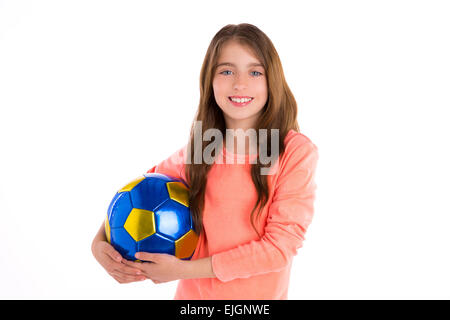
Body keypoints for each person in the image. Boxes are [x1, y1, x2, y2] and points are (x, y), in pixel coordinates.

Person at [91, 23, 319, 299]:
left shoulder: (291, 151)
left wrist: (181, 271)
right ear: (209, 81)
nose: (240, 83)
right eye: (226, 71)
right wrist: (99, 242)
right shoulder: (204, 148)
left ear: (272, 80)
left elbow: (278, 249)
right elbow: (142, 190)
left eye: (255, 71)